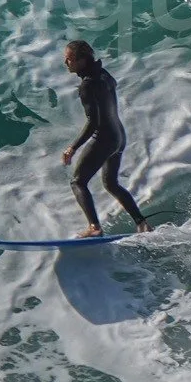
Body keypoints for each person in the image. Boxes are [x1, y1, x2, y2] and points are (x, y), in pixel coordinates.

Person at [60, 38, 149, 236]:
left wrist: (72, 147)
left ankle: (94, 227)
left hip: (105, 139)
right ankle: (142, 223)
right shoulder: (103, 75)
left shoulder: (87, 85)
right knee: (111, 183)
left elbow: (93, 122)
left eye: (69, 59)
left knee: (77, 182)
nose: (66, 63)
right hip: (119, 135)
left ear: (81, 60)